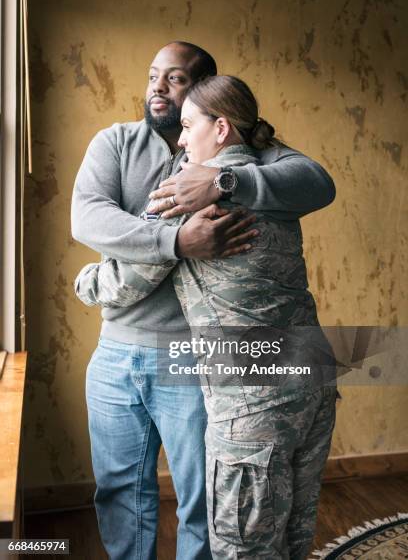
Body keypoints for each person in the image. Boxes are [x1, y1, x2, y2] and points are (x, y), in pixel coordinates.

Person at [74, 74, 337, 560]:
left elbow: (127, 278)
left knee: (243, 547)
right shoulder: (273, 180)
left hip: (250, 407)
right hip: (312, 383)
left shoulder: (188, 190)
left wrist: (85, 281)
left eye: (189, 124)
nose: (179, 137)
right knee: (293, 535)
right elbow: (317, 181)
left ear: (220, 128)